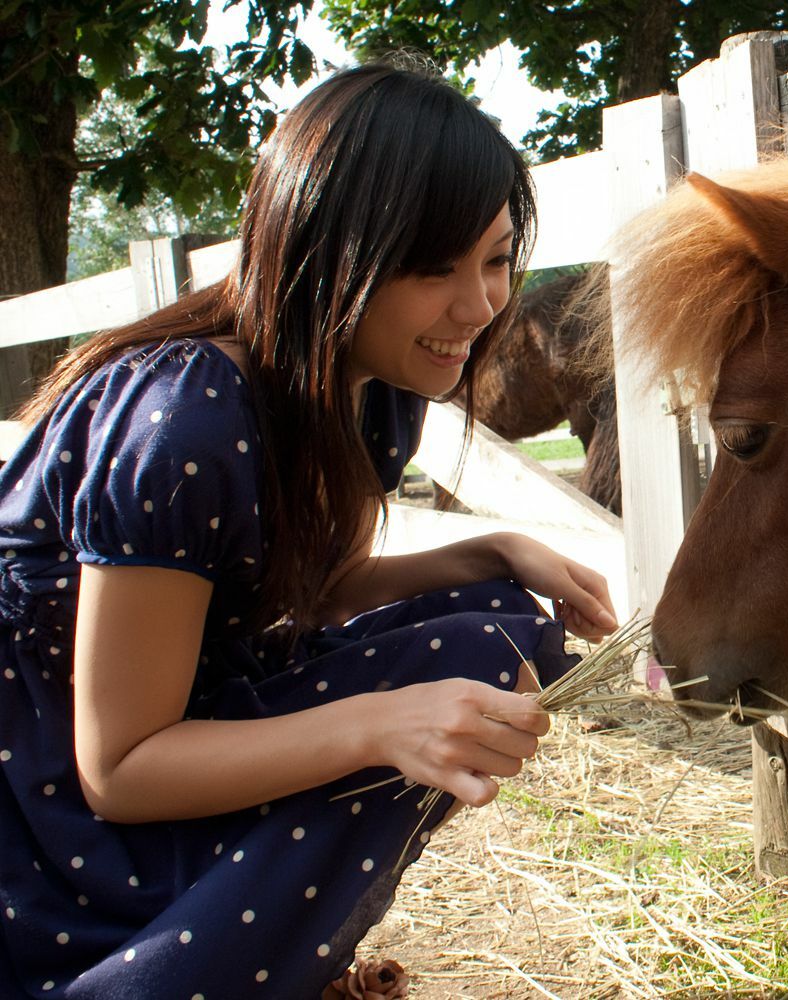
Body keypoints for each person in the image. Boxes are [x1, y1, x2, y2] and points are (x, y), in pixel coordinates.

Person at [0, 60, 617, 998]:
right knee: (444, 682)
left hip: (204, 692)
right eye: (432, 267)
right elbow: (118, 768)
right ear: (325, 255)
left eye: (495, 260)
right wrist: (379, 724)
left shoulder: (372, 387)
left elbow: (303, 592)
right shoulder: (185, 416)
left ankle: (275, 940)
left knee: (499, 629)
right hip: (50, 800)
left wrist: (492, 550)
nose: (479, 305)